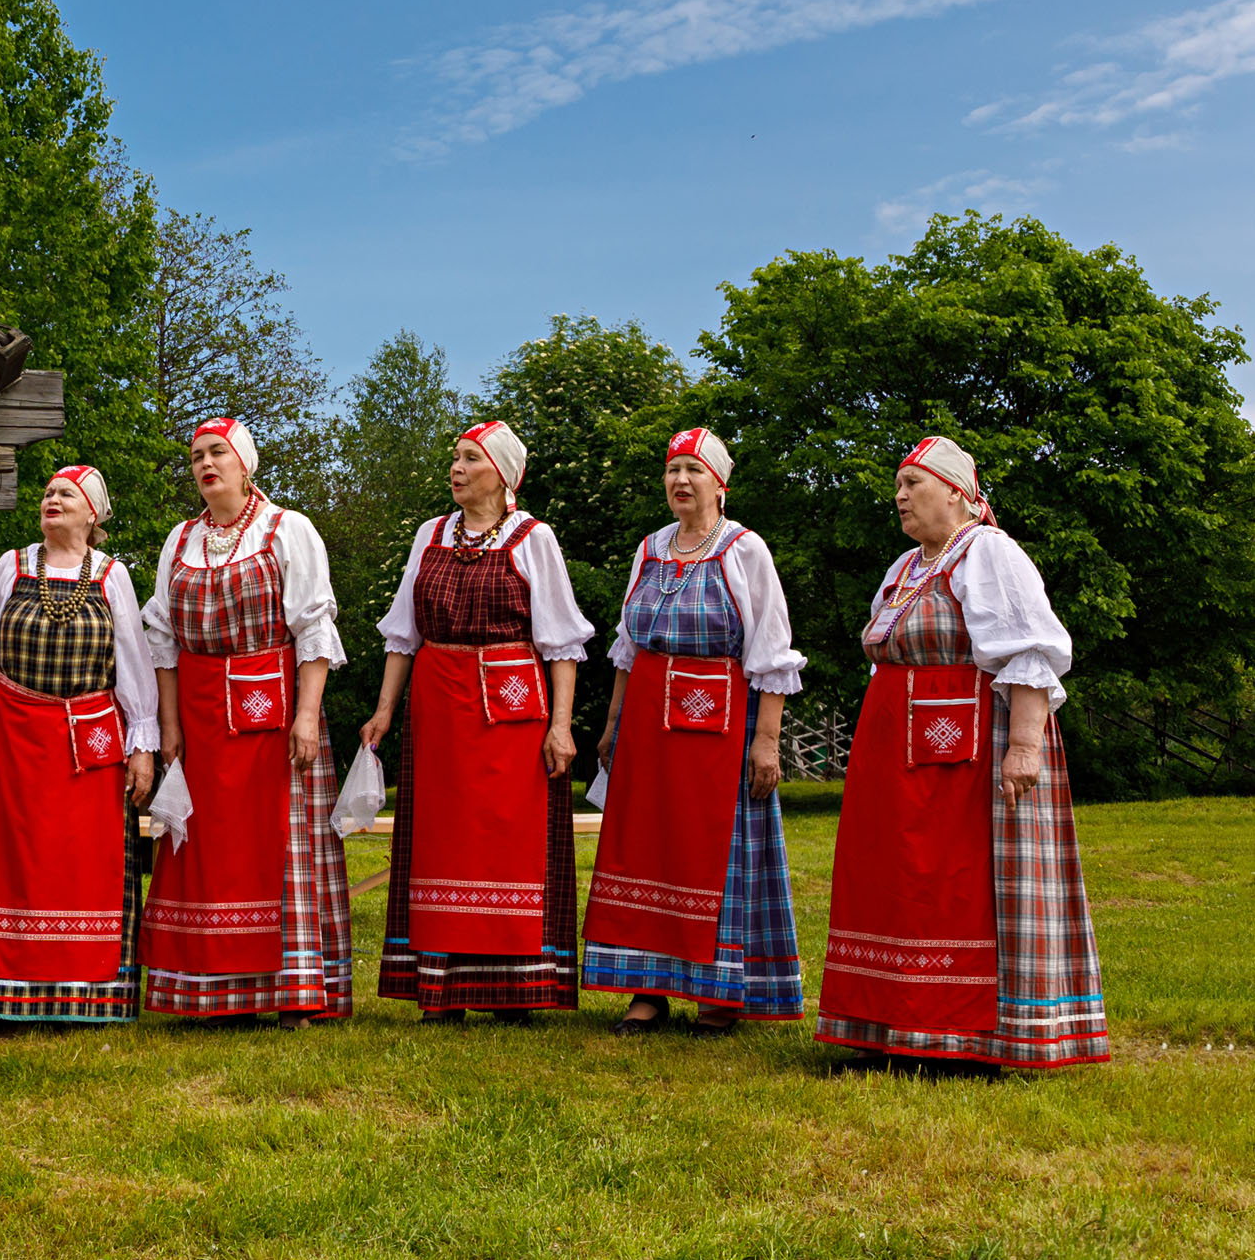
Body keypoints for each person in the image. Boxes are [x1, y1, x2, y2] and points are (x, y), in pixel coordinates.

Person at [818, 438, 1106, 1071]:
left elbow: (1030, 651)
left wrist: (1025, 746)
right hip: (898, 753)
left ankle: (965, 1036)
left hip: (973, 751)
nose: (899, 495)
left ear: (954, 491)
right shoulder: (903, 568)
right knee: (895, 882)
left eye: (912, 483)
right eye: (897, 484)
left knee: (955, 883)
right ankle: (888, 1025)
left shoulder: (988, 552)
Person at [364, 420, 594, 1022]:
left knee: (506, 838)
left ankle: (513, 990)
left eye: (470, 458)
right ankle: (441, 989)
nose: (457, 468)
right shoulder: (429, 535)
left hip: (512, 705)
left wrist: (561, 725)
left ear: (501, 472)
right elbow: (402, 635)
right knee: (442, 840)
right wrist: (385, 710)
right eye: (456, 458)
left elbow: (563, 643)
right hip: (439, 704)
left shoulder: (532, 538)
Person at [581, 428, 806, 1034]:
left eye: (694, 470)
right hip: (650, 722)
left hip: (721, 723)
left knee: (714, 847)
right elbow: (627, 648)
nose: (681, 481)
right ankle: (647, 991)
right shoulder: (650, 548)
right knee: (647, 849)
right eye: (673, 469)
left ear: (719, 483)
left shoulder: (744, 550)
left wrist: (766, 740)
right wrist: (612, 725)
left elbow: (771, 652)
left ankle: (718, 992)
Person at [136, 417, 351, 1024]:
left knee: (283, 844)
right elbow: (163, 640)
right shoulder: (180, 540)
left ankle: (293, 993)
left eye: (218, 453)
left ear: (245, 462)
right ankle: (215, 991)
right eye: (198, 455)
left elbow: (312, 626)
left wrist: (307, 715)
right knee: (206, 849)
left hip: (274, 712)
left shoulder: (288, 530)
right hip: (201, 717)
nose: (206, 464)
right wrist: (168, 725)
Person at [0, 463, 160, 1026]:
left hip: (87, 742)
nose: (53, 500)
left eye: (67, 493)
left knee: (84, 862)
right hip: (13, 737)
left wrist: (142, 745)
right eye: (48, 493)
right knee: (8, 860)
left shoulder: (112, 576)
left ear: (93, 514)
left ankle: (85, 995)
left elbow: (132, 665)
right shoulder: (10, 568)